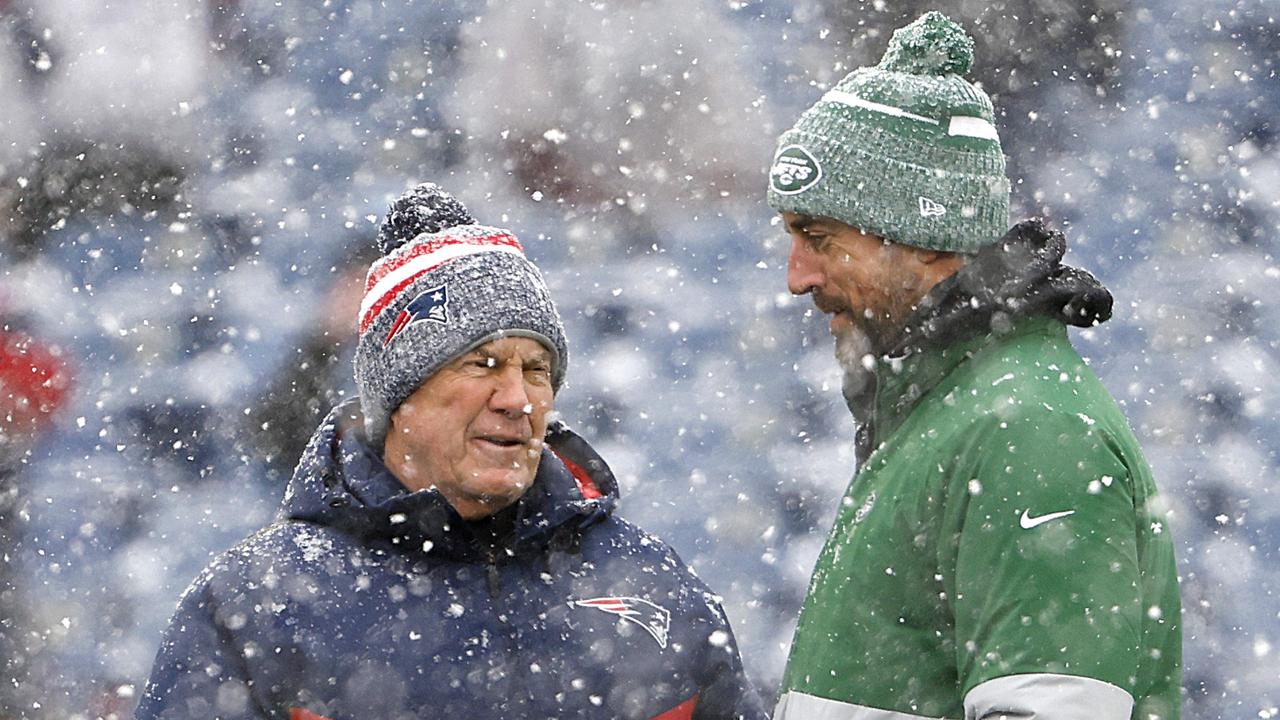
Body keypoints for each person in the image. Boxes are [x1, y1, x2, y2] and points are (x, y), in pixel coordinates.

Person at [136, 184, 766, 720]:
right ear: (400, 397)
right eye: (483, 364)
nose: (517, 397)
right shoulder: (258, 608)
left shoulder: (653, 582)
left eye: (538, 369)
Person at [765, 12, 1180, 720]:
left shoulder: (1027, 427)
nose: (795, 276)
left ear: (927, 241)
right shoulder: (951, 412)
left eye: (819, 237)